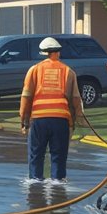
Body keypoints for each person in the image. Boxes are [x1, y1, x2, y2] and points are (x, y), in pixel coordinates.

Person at [19, 37, 84, 182]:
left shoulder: (34, 70)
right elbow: (75, 99)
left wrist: (24, 120)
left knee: (36, 155)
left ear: (43, 53)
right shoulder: (68, 72)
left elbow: (26, 97)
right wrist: (75, 121)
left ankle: (35, 185)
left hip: (38, 120)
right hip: (60, 120)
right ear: (58, 53)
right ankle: (58, 185)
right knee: (58, 156)